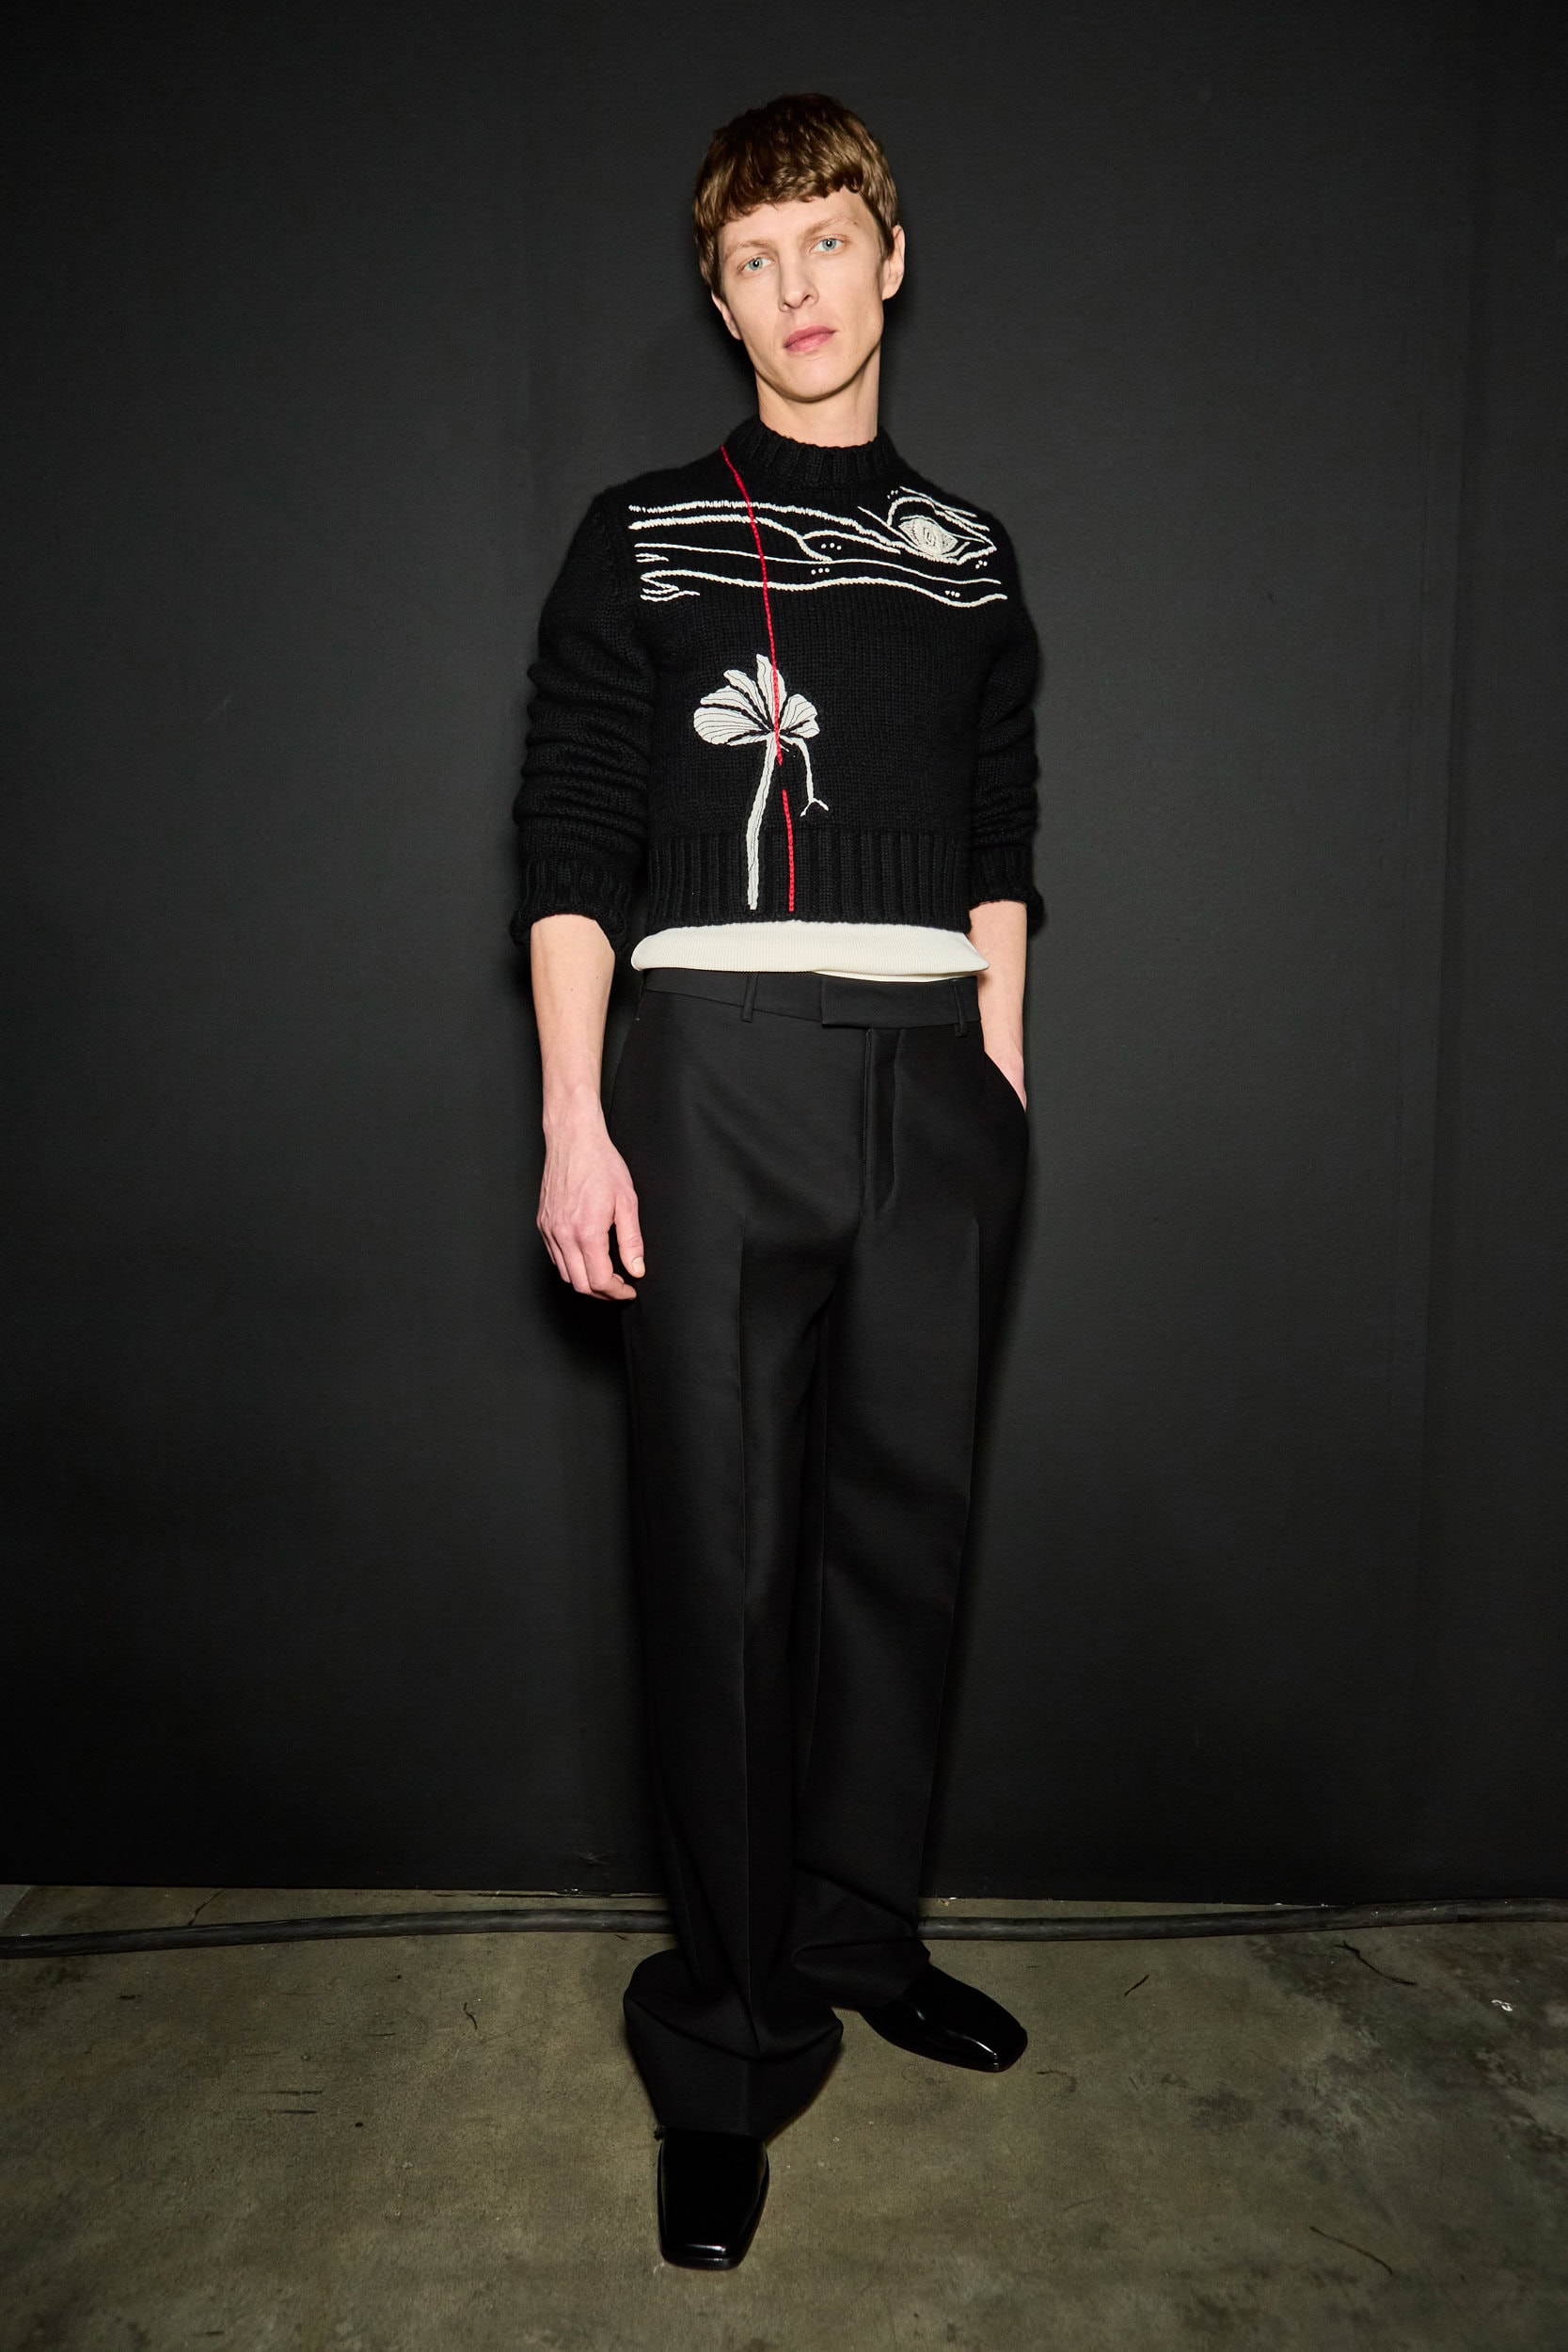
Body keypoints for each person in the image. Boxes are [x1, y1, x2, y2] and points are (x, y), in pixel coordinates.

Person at [513, 92, 1043, 2269]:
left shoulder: (973, 553)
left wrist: (1002, 1078)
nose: (797, 288)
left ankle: (855, 1932)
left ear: (889, 258)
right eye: (753, 259)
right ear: (720, 300)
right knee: (727, 1562)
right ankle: (729, 2046)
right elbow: (569, 839)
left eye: (828, 241)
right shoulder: (641, 534)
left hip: (936, 1080)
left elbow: (1003, 842)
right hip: (716, 1070)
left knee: (900, 1541)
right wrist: (576, 1115)